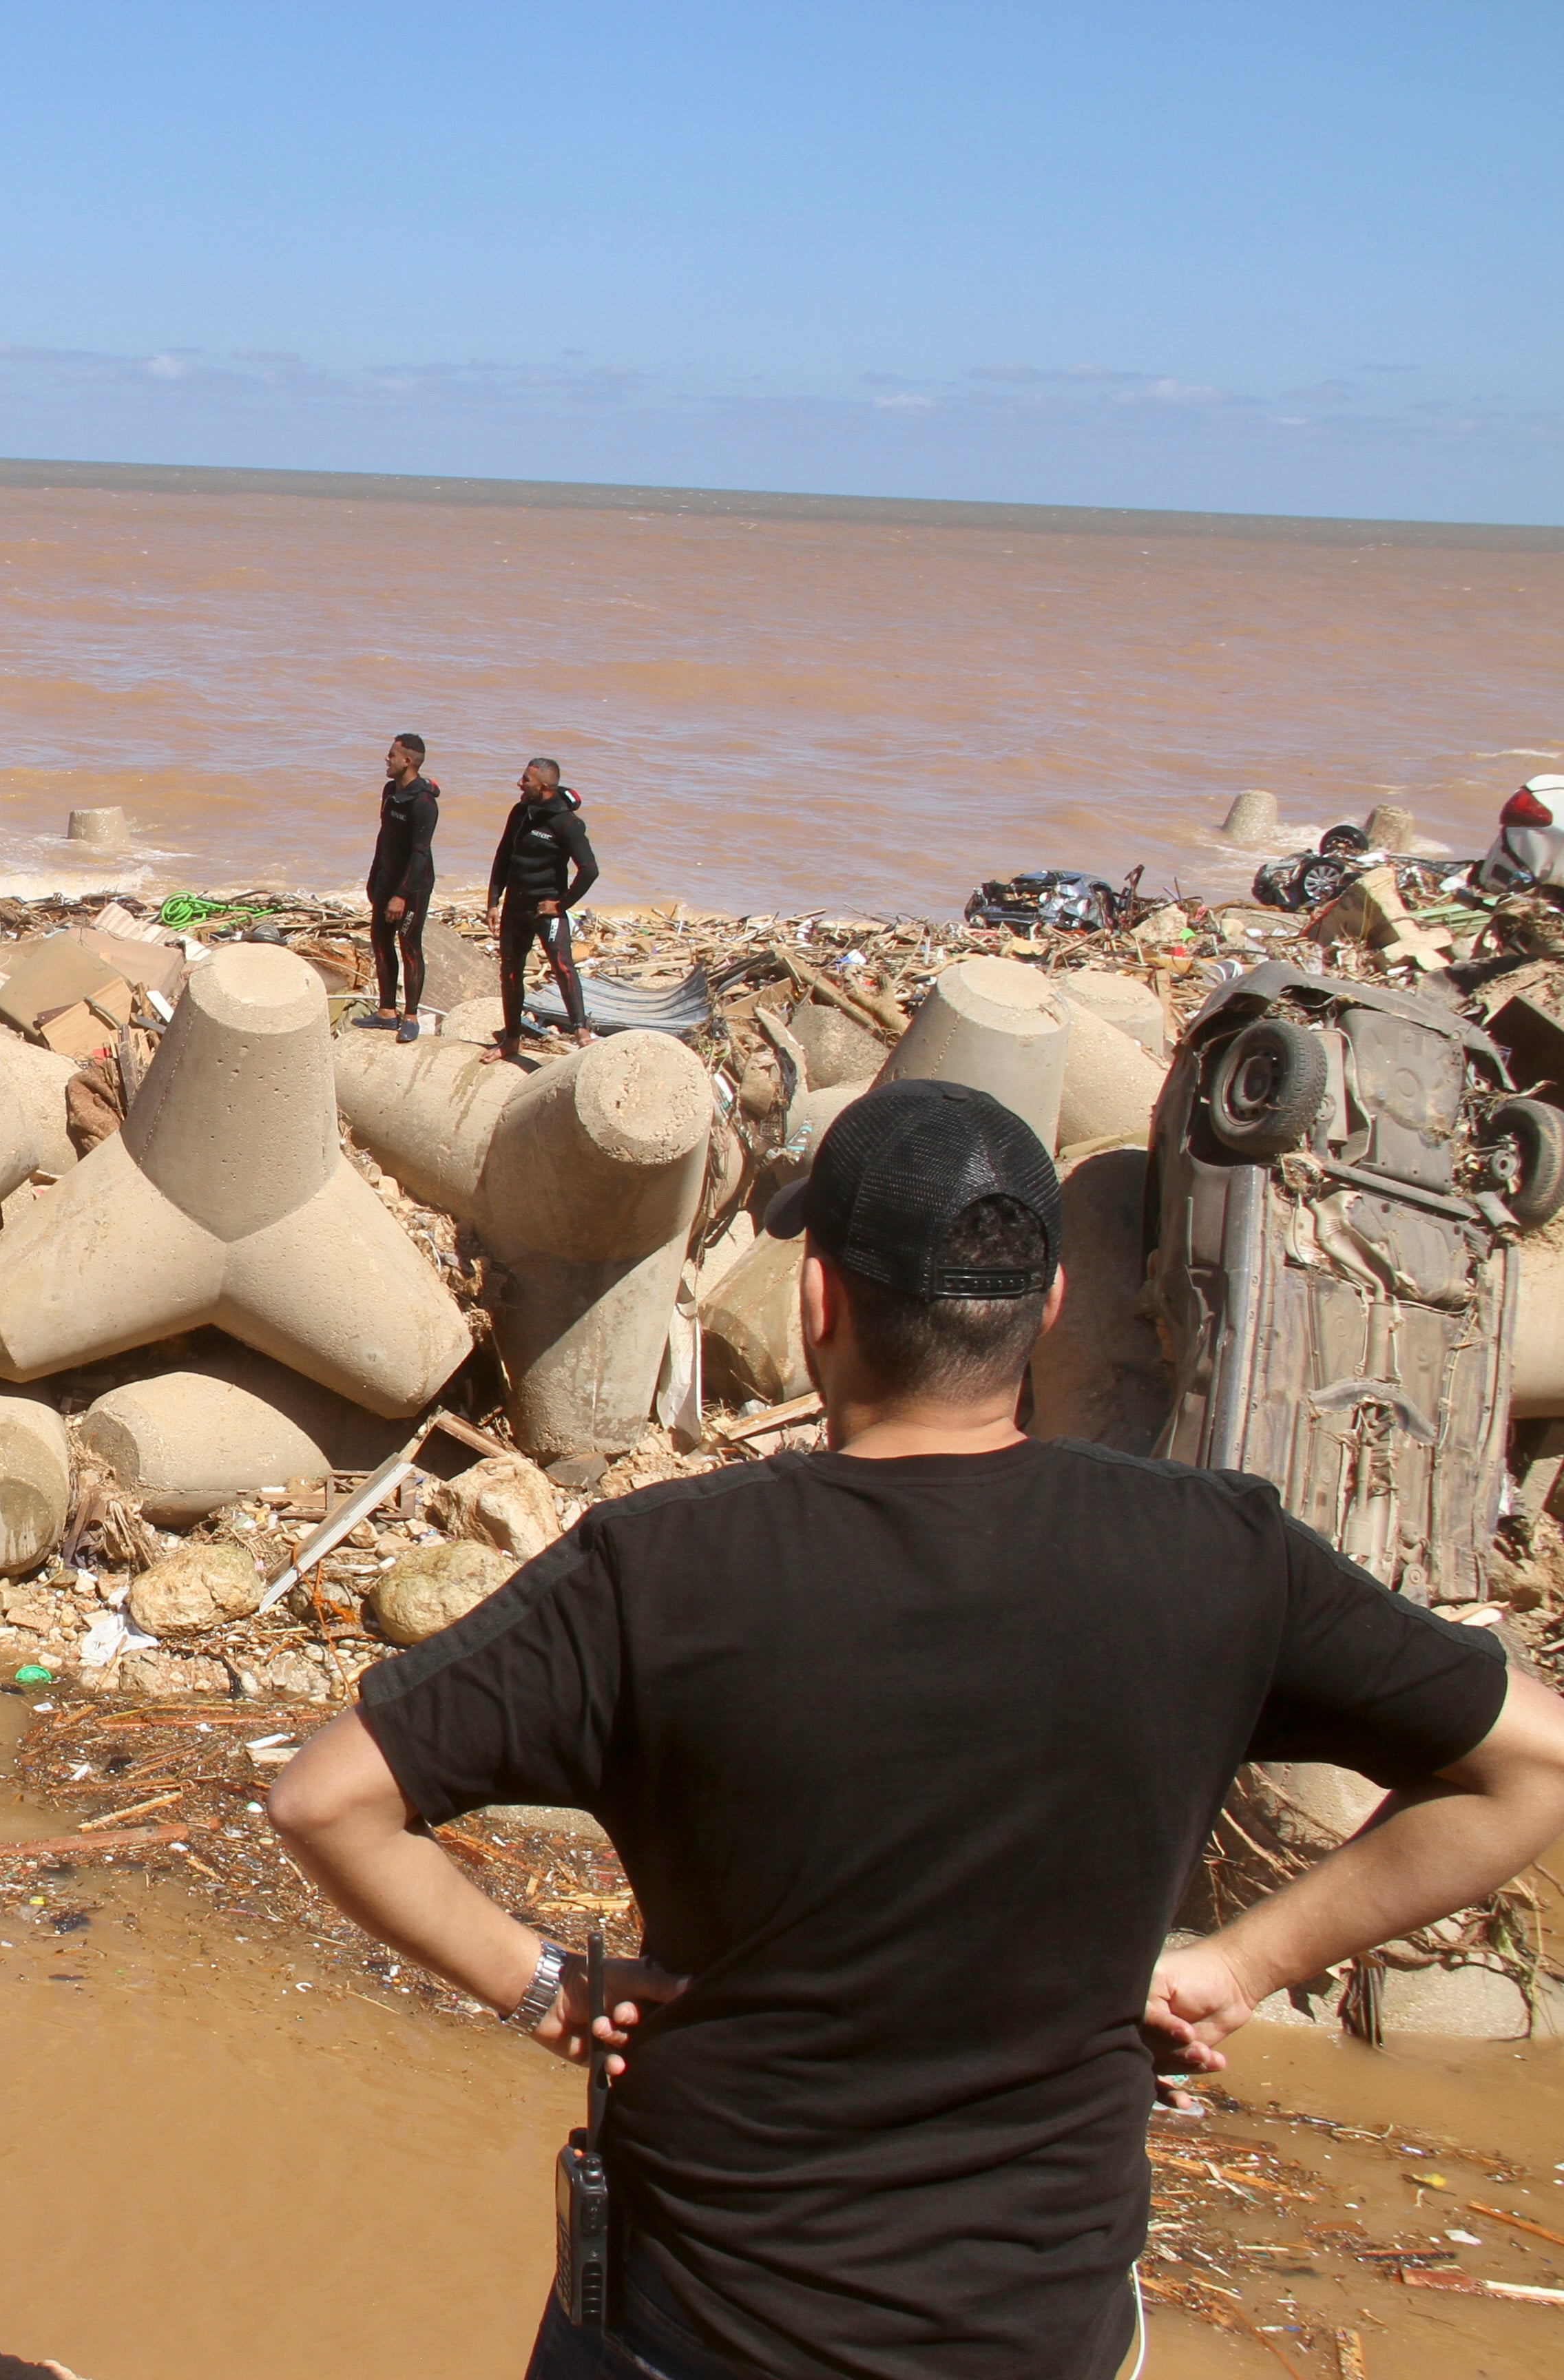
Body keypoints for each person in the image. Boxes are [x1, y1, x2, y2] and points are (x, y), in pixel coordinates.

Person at [271, 1078, 1564, 2380]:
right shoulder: (1213, 1552)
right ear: (1045, 1308)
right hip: (1040, 2331)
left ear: (815, 1302)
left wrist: (542, 1982)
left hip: (702, 2325)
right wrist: (1238, 1965)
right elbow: (1527, 1765)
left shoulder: (660, 1570)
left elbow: (326, 1798)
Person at [486, 758, 599, 1061]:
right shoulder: (521, 812)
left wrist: (561, 904)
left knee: (562, 967)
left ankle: (581, 1032)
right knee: (510, 972)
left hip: (545, 909)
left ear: (545, 787)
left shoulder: (567, 823)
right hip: (514, 908)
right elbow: (503, 857)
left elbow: (589, 869)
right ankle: (511, 1040)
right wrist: (493, 902)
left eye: (526, 780)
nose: (519, 784)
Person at [365, 732, 440, 1043]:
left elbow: (420, 853)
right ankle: (386, 1012)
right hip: (386, 880)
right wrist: (374, 878)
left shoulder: (424, 804)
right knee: (381, 941)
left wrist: (401, 895)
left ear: (408, 761)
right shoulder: (390, 791)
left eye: (392, 755)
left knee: (409, 947)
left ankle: (410, 1016)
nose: (387, 759)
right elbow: (384, 838)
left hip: (413, 887)